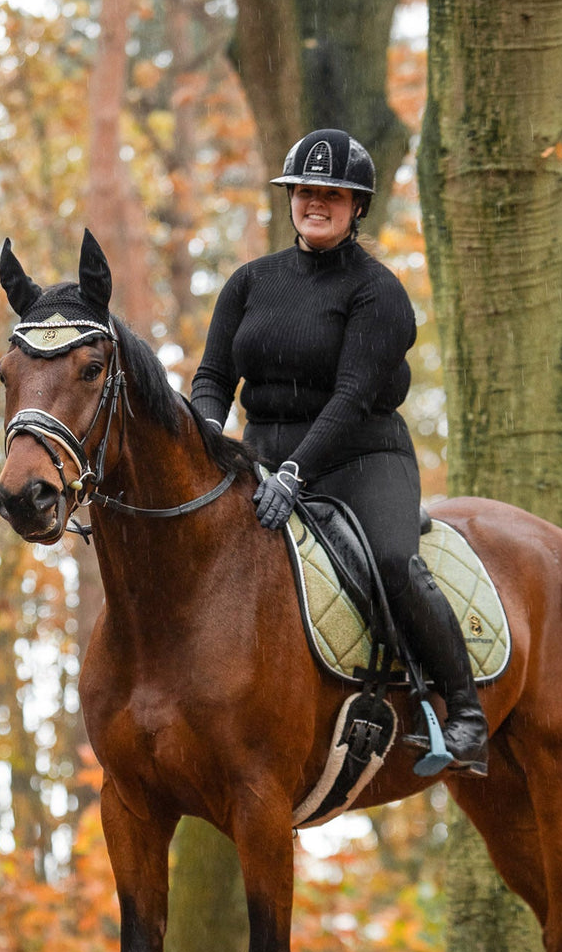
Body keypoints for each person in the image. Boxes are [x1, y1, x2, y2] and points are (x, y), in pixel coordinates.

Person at [191, 128, 488, 775]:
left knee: (390, 561)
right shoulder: (249, 283)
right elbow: (213, 378)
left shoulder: (377, 291)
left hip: (361, 458)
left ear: (357, 207)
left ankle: (466, 714)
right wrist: (207, 436)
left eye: (332, 193)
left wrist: (296, 473)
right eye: (304, 191)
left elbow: (353, 395)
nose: (315, 203)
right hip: (261, 457)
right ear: (290, 199)